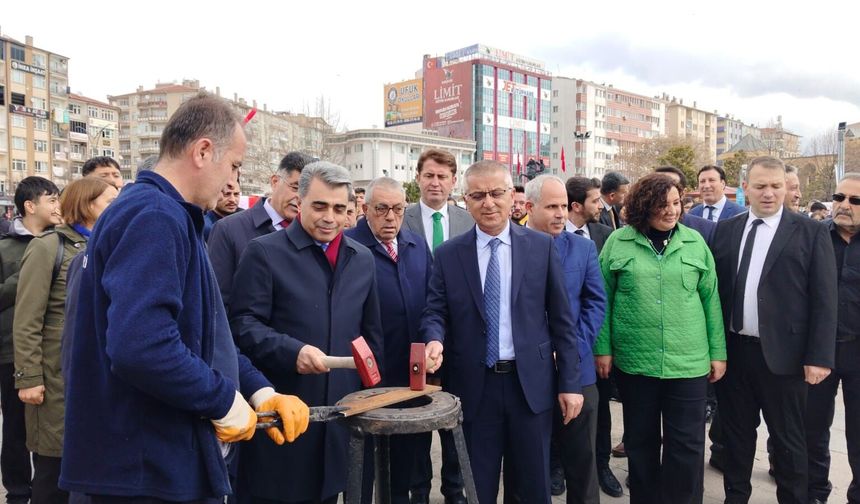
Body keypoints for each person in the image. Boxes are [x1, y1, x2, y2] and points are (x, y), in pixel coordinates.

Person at [60, 94, 309, 502]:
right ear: (203, 151)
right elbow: (142, 346)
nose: (233, 181)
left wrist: (260, 391)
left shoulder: (166, 213)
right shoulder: (154, 216)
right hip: (144, 472)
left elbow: (205, 337)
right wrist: (222, 400)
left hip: (151, 465)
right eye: (233, 165)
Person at [421, 160, 583, 503]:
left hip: (530, 387)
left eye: (496, 193)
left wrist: (570, 383)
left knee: (532, 487)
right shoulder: (449, 254)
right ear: (465, 200)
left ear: (513, 197)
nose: (488, 202)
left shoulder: (541, 247)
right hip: (474, 387)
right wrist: (434, 339)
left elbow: (562, 321)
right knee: (478, 486)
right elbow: (436, 309)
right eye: (478, 195)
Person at [230, 162, 384, 504]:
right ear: (300, 203)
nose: (329, 217)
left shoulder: (362, 260)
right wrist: (291, 351)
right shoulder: (265, 253)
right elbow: (242, 326)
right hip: (281, 419)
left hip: (338, 422)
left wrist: (370, 395)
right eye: (320, 206)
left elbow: (371, 336)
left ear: (350, 212)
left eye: (339, 209)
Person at [711, 156, 837, 504]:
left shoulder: (810, 232)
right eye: (761, 186)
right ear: (745, 188)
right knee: (735, 440)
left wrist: (819, 357)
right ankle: (735, 497)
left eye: (776, 186)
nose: (768, 194)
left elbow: (826, 300)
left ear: (786, 188)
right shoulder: (726, 230)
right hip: (734, 355)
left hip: (786, 358)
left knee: (788, 442)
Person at [594, 173, 726, 504]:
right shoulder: (618, 243)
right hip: (636, 363)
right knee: (641, 442)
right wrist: (603, 348)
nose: (670, 211)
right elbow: (602, 299)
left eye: (676, 203)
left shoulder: (695, 242)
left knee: (687, 446)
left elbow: (711, 299)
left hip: (689, 363)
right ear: (642, 206)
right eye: (661, 204)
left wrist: (718, 353)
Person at [14, 178, 118, 503]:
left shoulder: (109, 245)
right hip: (55, 379)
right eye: (109, 202)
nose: (118, 209)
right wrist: (29, 378)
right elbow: (27, 318)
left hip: (96, 375)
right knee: (53, 469)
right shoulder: (48, 247)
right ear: (87, 205)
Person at [345, 177, 432, 504]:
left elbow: (431, 301)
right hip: (366, 376)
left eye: (398, 209)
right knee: (365, 459)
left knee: (406, 457)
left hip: (410, 373)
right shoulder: (349, 247)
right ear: (365, 209)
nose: (391, 218)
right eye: (381, 209)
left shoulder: (416, 245)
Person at [526, 175, 606, 504]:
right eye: (551, 207)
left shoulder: (582, 248)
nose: (560, 214)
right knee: (530, 463)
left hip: (577, 371)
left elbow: (595, 303)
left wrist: (568, 349)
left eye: (563, 206)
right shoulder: (512, 248)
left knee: (582, 463)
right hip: (528, 373)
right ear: (529, 208)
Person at [403, 148, 473, 504]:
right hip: (412, 340)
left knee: (453, 421)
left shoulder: (468, 221)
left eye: (442, 176)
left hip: (459, 343)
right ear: (418, 178)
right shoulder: (401, 218)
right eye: (429, 175)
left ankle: (454, 489)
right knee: (415, 424)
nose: (435, 182)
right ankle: (418, 490)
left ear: (453, 181)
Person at [0, 177, 62, 504]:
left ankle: (44, 490)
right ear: (30, 205)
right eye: (51, 200)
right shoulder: (5, 246)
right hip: (12, 351)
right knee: (15, 429)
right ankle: (18, 492)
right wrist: (24, 274)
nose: (57, 207)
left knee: (48, 428)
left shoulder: (62, 243)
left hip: (51, 354)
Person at [564, 176, 621, 497]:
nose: (601, 206)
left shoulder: (603, 236)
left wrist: (594, 346)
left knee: (596, 416)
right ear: (577, 205)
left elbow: (600, 299)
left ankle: (602, 466)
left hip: (591, 348)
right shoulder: (540, 239)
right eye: (595, 200)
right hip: (553, 352)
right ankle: (557, 469)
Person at [805, 173, 860, 504]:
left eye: (855, 201)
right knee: (811, 430)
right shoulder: (812, 236)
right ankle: (813, 493)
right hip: (818, 354)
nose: (844, 206)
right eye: (839, 197)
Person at [208, 151, 313, 308]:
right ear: (275, 181)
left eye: (307, 192)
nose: (300, 198)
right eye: (295, 187)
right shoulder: (228, 229)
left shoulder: (312, 233)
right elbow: (217, 302)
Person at [654, 166, 716, 244]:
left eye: (673, 185)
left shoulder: (707, 229)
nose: (665, 190)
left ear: (683, 192)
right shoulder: (636, 228)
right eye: (658, 186)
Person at [203, 172, 242, 241]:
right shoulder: (205, 226)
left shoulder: (246, 219)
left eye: (236, 194)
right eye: (227, 194)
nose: (232, 200)